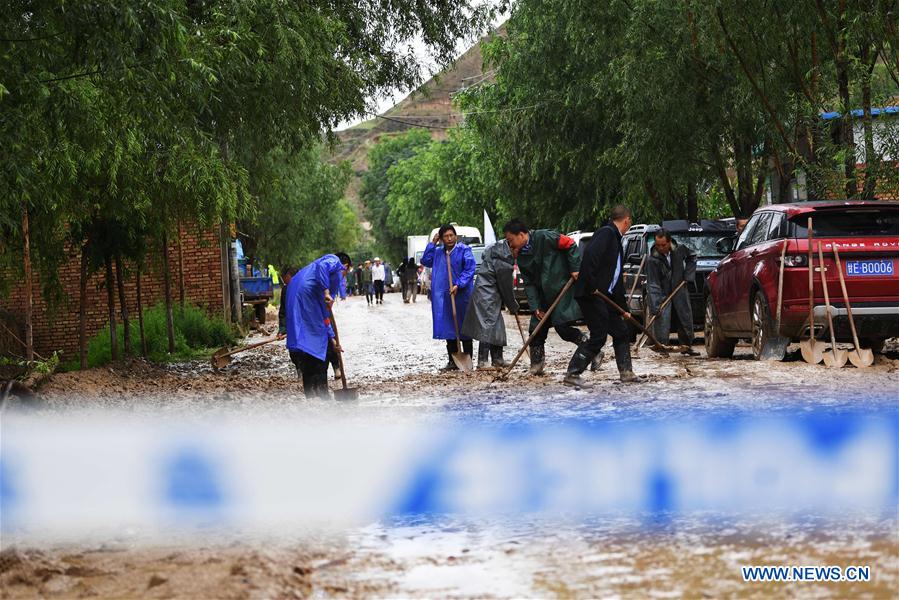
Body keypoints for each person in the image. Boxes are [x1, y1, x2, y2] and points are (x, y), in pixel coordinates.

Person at [504, 219, 596, 376]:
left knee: (562, 326)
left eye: (511, 240)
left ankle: (591, 349)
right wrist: (535, 306)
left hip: (561, 289)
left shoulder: (544, 237)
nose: (510, 245)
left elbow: (569, 244)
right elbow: (529, 283)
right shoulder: (521, 256)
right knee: (536, 328)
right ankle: (536, 366)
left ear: (521, 235)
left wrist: (575, 268)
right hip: (542, 295)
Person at [564, 205, 638, 387]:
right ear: (627, 220)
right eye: (629, 221)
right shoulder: (606, 233)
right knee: (599, 335)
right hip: (592, 295)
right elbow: (590, 256)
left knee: (621, 332)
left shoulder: (615, 238)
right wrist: (591, 286)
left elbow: (615, 279)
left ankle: (626, 373)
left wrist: (624, 310)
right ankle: (573, 374)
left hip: (606, 297)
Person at [285, 252, 352, 399]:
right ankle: (322, 394)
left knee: (307, 342)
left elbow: (324, 317)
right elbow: (323, 266)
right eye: (345, 273)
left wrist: (333, 340)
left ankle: (311, 394)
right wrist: (327, 291)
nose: (342, 278)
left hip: (296, 293)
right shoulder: (333, 260)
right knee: (318, 345)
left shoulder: (315, 282)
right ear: (345, 266)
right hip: (305, 294)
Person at [421, 224, 477, 371]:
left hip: (462, 295)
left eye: (452, 235)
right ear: (441, 238)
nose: (450, 238)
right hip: (445, 296)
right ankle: (453, 360)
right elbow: (425, 260)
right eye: (446, 236)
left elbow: (470, 268)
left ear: (456, 236)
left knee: (464, 326)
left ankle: (468, 358)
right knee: (449, 327)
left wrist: (459, 284)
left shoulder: (464, 250)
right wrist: (433, 243)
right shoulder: (438, 253)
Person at [461, 240, 519, 369]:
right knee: (487, 325)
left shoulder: (500, 254)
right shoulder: (503, 261)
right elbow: (506, 288)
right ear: (512, 247)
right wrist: (512, 305)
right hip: (486, 295)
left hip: (487, 293)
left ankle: (497, 359)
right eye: (518, 251)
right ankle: (482, 361)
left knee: (497, 325)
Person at [646, 229, 699, 353]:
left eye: (663, 245)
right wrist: (655, 305)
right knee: (661, 319)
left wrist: (687, 276)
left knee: (684, 318)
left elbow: (692, 257)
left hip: (679, 289)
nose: (660, 248)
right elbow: (653, 284)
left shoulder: (679, 249)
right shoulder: (652, 260)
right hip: (662, 294)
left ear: (669, 242)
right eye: (658, 245)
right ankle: (661, 348)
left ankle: (687, 346)